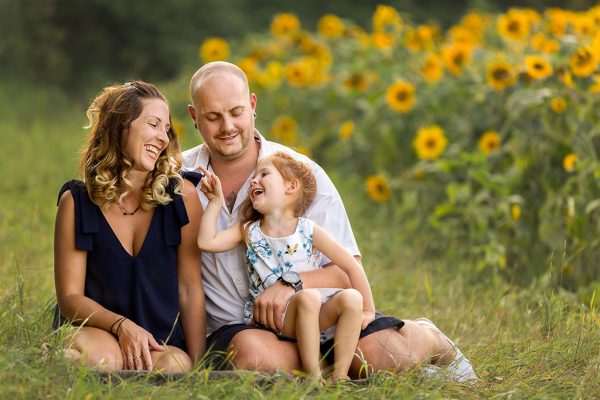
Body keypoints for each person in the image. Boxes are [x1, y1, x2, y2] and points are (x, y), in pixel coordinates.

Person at [182, 61, 476, 381]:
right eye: (213, 116)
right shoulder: (178, 178)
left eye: (236, 112)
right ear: (194, 117)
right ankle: (331, 374)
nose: (227, 126)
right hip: (243, 330)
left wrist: (290, 283)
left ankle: (429, 336)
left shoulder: (299, 174)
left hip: (324, 318)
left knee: (386, 355)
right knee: (254, 357)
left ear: (252, 105)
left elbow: (347, 268)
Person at [53, 80, 205, 372]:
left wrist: (199, 369)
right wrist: (122, 326)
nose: (163, 137)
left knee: (176, 367)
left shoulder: (182, 196)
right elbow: (70, 298)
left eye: (166, 129)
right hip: (102, 333)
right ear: (121, 125)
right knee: (102, 360)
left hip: (162, 343)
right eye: (153, 124)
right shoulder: (77, 202)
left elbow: (190, 289)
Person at [197, 151, 377, 381]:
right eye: (254, 176)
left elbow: (350, 266)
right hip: (273, 319)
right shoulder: (248, 230)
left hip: (313, 312)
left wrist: (368, 309)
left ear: (291, 186)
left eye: (264, 174)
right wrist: (215, 201)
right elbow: (206, 242)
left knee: (351, 298)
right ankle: (314, 377)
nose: (254, 180)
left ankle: (340, 377)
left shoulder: (308, 230)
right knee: (308, 297)